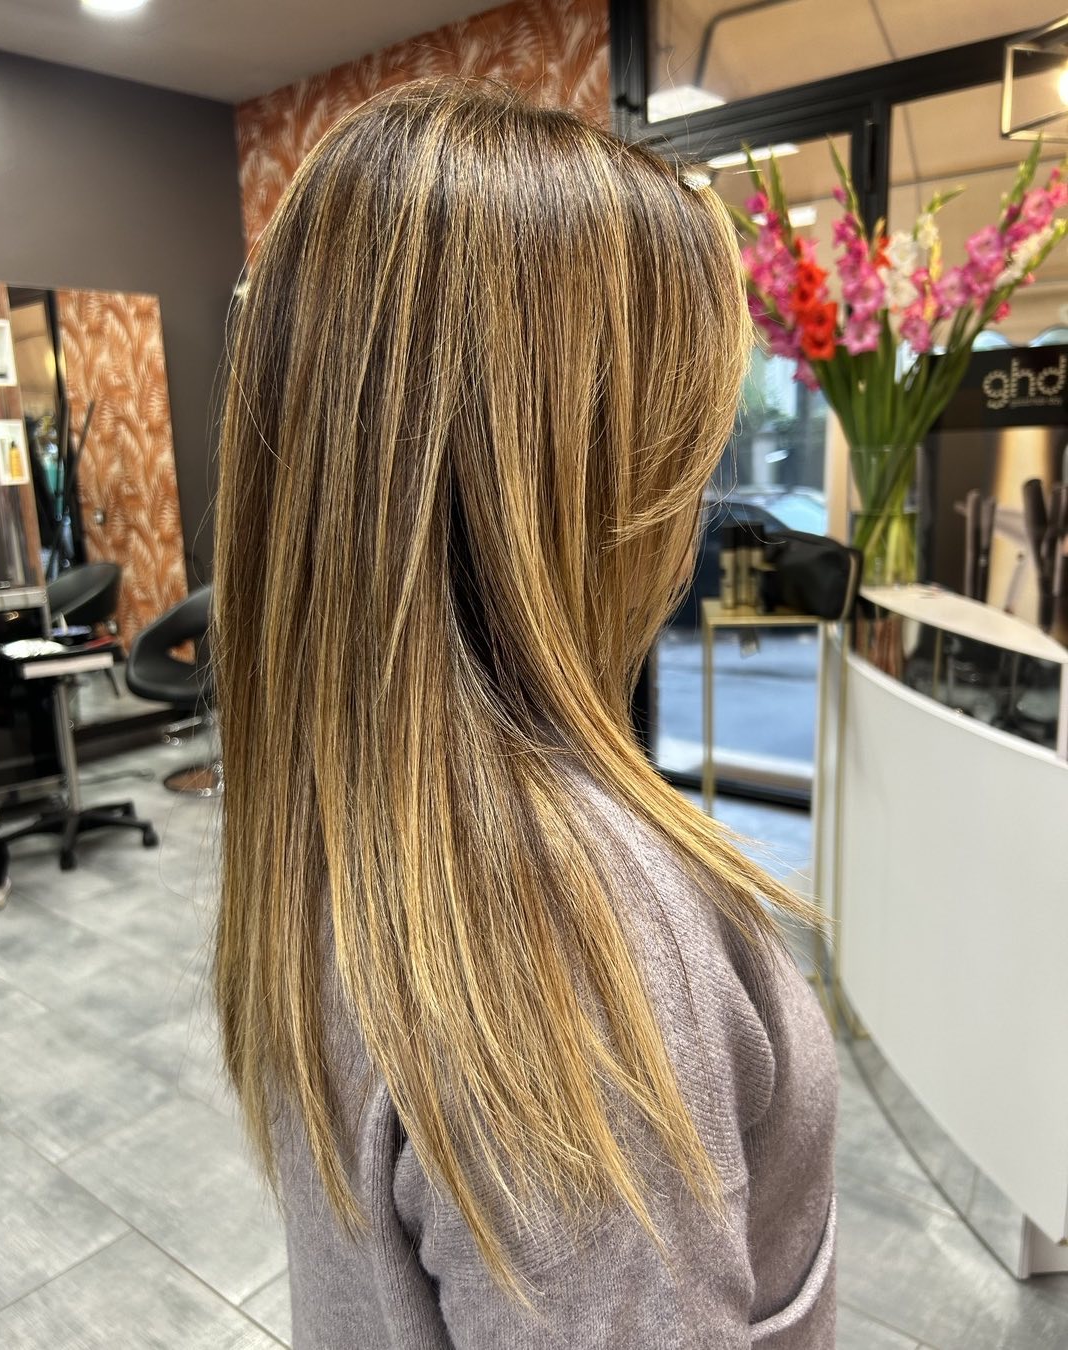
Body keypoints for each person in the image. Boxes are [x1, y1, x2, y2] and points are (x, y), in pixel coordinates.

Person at [213, 78, 837, 1349]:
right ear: (590, 480)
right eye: (686, 455)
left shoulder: (348, 815)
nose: (692, 514)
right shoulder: (580, 934)